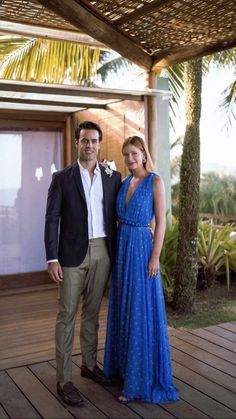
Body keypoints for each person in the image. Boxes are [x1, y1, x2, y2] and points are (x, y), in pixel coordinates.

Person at [44, 121, 121, 406]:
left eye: (94, 141)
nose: (89, 145)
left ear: (100, 144)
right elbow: (52, 219)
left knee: (92, 313)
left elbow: (121, 210)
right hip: (71, 255)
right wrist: (52, 257)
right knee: (66, 316)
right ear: (77, 143)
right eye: (84, 140)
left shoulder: (113, 177)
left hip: (103, 250)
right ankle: (64, 380)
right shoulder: (62, 178)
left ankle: (89, 365)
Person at [103, 135, 179, 404]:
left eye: (134, 153)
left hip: (142, 249)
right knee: (123, 307)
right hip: (123, 248)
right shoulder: (123, 183)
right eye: (126, 155)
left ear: (144, 154)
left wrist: (155, 256)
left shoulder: (154, 181)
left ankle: (137, 382)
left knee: (139, 310)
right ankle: (123, 371)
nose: (130, 159)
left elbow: (160, 223)